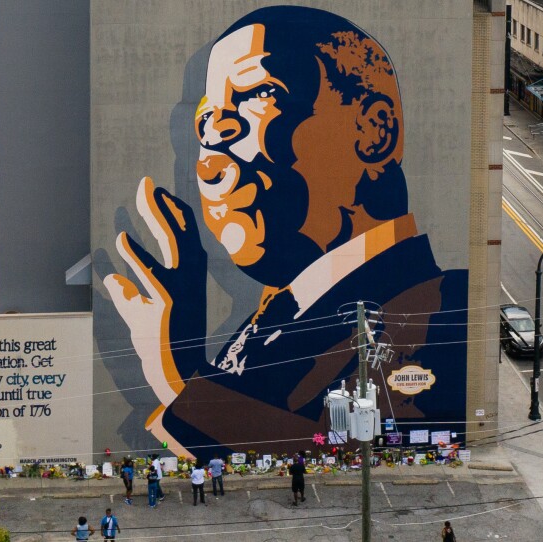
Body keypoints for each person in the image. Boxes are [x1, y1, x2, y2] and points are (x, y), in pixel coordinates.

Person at [105, 5, 469, 458]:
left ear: (375, 131)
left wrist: (180, 373)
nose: (210, 153)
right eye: (206, 122)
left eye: (257, 95)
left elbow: (356, 463)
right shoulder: (276, 312)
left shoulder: (445, 310)